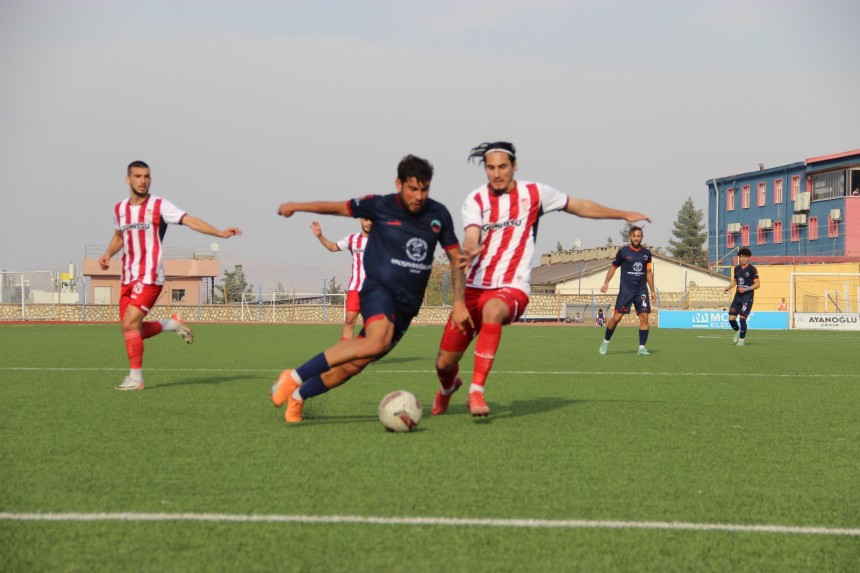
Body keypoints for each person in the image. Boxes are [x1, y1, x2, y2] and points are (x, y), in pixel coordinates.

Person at [432, 141, 651, 418]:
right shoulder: (475, 200)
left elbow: (578, 205)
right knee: (443, 363)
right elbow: (471, 236)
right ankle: (448, 388)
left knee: (493, 310)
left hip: (513, 287)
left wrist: (621, 214)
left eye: (502, 167)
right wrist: (469, 257)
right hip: (475, 288)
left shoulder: (534, 193)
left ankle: (477, 389)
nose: (496, 173)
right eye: (490, 168)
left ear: (514, 166)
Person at [270, 154, 471, 423]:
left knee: (353, 365)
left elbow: (456, 258)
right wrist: (296, 206)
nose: (419, 196)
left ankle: (298, 397)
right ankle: (293, 376)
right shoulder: (380, 205)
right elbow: (336, 207)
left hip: (408, 305)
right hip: (378, 289)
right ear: (398, 183)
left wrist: (459, 303)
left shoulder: (438, 214)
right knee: (377, 340)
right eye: (413, 188)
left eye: (424, 189)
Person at [99, 161, 242, 390]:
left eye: (147, 176)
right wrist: (107, 253)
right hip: (127, 277)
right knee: (130, 328)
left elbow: (190, 220)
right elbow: (119, 236)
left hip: (149, 277)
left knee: (129, 324)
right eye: (137, 176)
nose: (143, 180)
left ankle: (136, 380)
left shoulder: (159, 206)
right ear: (128, 179)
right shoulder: (120, 209)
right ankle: (172, 324)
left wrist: (219, 233)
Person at [311, 218, 372, 340]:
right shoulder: (352, 239)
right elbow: (333, 247)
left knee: (371, 325)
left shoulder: (383, 239)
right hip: (355, 288)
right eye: (365, 219)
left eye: (371, 220)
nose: (368, 223)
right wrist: (320, 236)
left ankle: (365, 355)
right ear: (360, 220)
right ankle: (345, 354)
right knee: (349, 320)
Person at [599, 226, 656, 356]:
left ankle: (642, 347)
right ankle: (606, 341)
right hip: (626, 291)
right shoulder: (623, 252)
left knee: (644, 318)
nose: (636, 238)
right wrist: (606, 282)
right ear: (630, 237)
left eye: (639, 236)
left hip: (641, 290)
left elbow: (648, 271)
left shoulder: (647, 254)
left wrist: (652, 290)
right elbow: (613, 267)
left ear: (642, 237)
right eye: (634, 236)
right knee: (617, 317)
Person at [723, 247, 760, 346]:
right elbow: (735, 281)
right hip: (738, 296)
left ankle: (742, 340)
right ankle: (738, 331)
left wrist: (746, 289)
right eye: (742, 257)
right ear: (739, 257)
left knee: (742, 318)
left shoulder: (752, 269)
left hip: (747, 297)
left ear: (749, 258)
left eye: (746, 257)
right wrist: (728, 287)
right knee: (731, 318)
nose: (744, 259)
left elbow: (757, 284)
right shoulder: (737, 268)